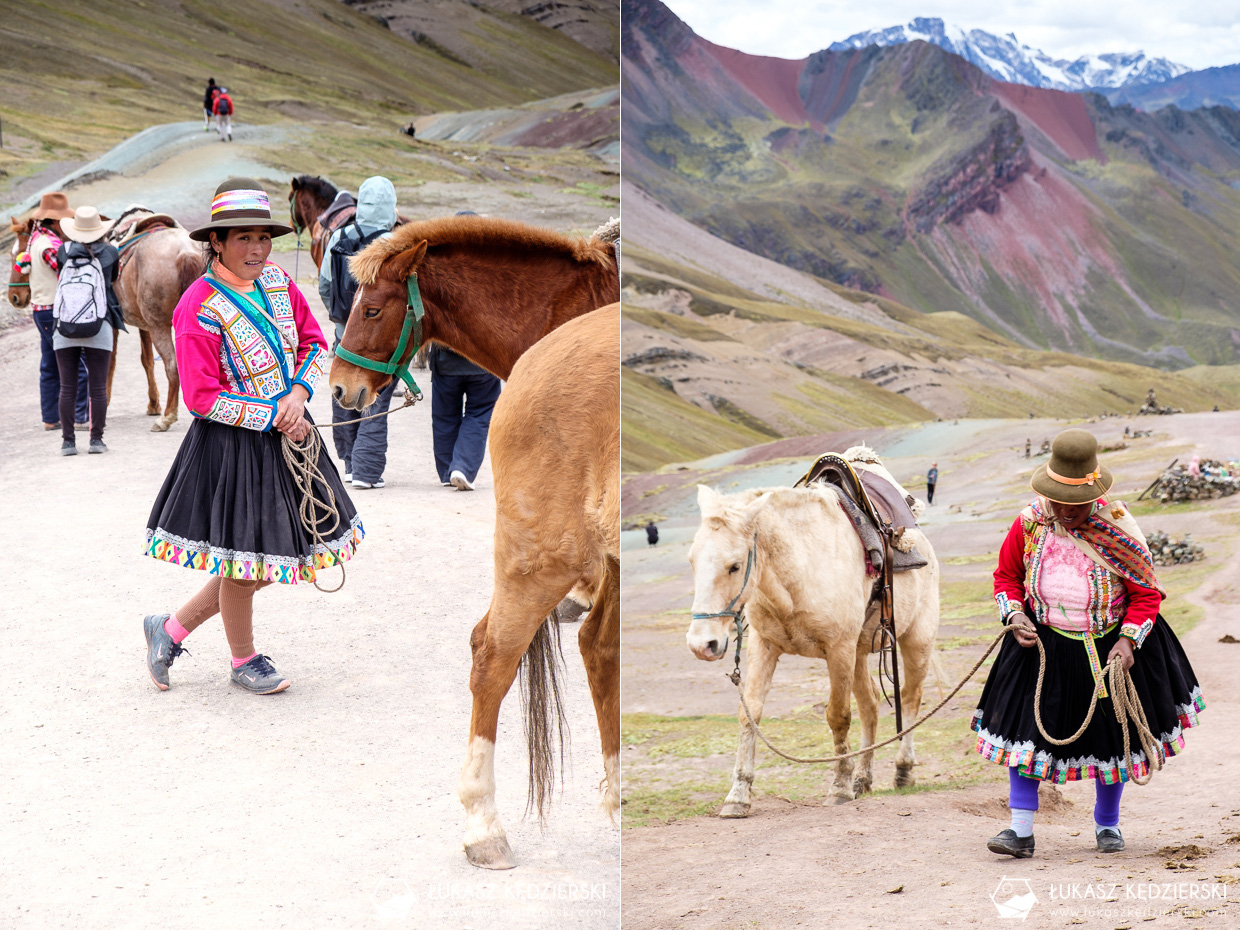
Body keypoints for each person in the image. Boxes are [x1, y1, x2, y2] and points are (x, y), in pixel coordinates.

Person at [142, 178, 363, 695]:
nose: (257, 249)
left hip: (293, 438)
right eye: (244, 238)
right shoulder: (197, 307)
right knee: (248, 564)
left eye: (263, 238)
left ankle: (168, 630)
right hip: (233, 449)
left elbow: (312, 342)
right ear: (216, 241)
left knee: (269, 557)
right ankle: (244, 661)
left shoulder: (281, 284)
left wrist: (298, 397)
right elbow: (201, 397)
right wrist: (271, 414)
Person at [974, 428, 1203, 858]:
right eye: (1058, 500)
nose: (1064, 510)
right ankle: (1019, 830)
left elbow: (1146, 593)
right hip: (1041, 645)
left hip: (1108, 645)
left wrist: (1130, 641)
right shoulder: (1029, 523)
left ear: (1093, 495)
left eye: (1074, 503)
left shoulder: (1118, 528)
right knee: (1026, 734)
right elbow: (1006, 577)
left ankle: (1108, 826)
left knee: (1113, 733)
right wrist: (1015, 613)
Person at [317, 176, 398, 489]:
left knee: (343, 392)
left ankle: (350, 462)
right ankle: (366, 469)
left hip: (344, 333)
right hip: (382, 338)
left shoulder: (339, 236)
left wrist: (341, 319)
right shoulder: (395, 244)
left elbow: (325, 284)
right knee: (376, 398)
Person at [428, 211, 502, 492]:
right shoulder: (492, 268)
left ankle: (448, 470)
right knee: (480, 412)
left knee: (444, 415)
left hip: (445, 361)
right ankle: (463, 467)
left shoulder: (437, 266)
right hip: (482, 360)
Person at [53, 206, 126, 455]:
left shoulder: (63, 251)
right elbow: (112, 281)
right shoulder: (111, 252)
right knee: (97, 388)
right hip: (99, 323)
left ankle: (68, 442)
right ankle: (96, 440)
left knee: (67, 387)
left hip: (64, 326)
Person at [25, 192, 90, 432]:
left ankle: (51, 417)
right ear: (54, 222)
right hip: (56, 312)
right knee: (78, 363)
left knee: (49, 365)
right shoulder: (52, 246)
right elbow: (68, 274)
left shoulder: (34, 241)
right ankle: (78, 415)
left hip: (40, 310)